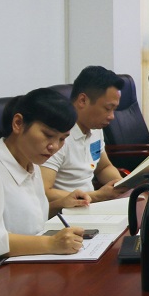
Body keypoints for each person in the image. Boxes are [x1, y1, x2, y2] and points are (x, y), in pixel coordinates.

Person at [0, 89, 88, 276]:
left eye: (62, 139)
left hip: (28, 269)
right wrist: (50, 243)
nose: (54, 146)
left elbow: (25, 219)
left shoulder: (31, 164)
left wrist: (61, 204)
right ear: (18, 123)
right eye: (48, 135)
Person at [41, 66, 128, 204]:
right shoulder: (58, 135)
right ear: (82, 100)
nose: (112, 116)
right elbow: (44, 192)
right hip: (67, 210)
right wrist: (97, 196)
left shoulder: (95, 128)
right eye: (107, 108)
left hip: (90, 204)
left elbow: (103, 167)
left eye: (114, 110)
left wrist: (121, 185)